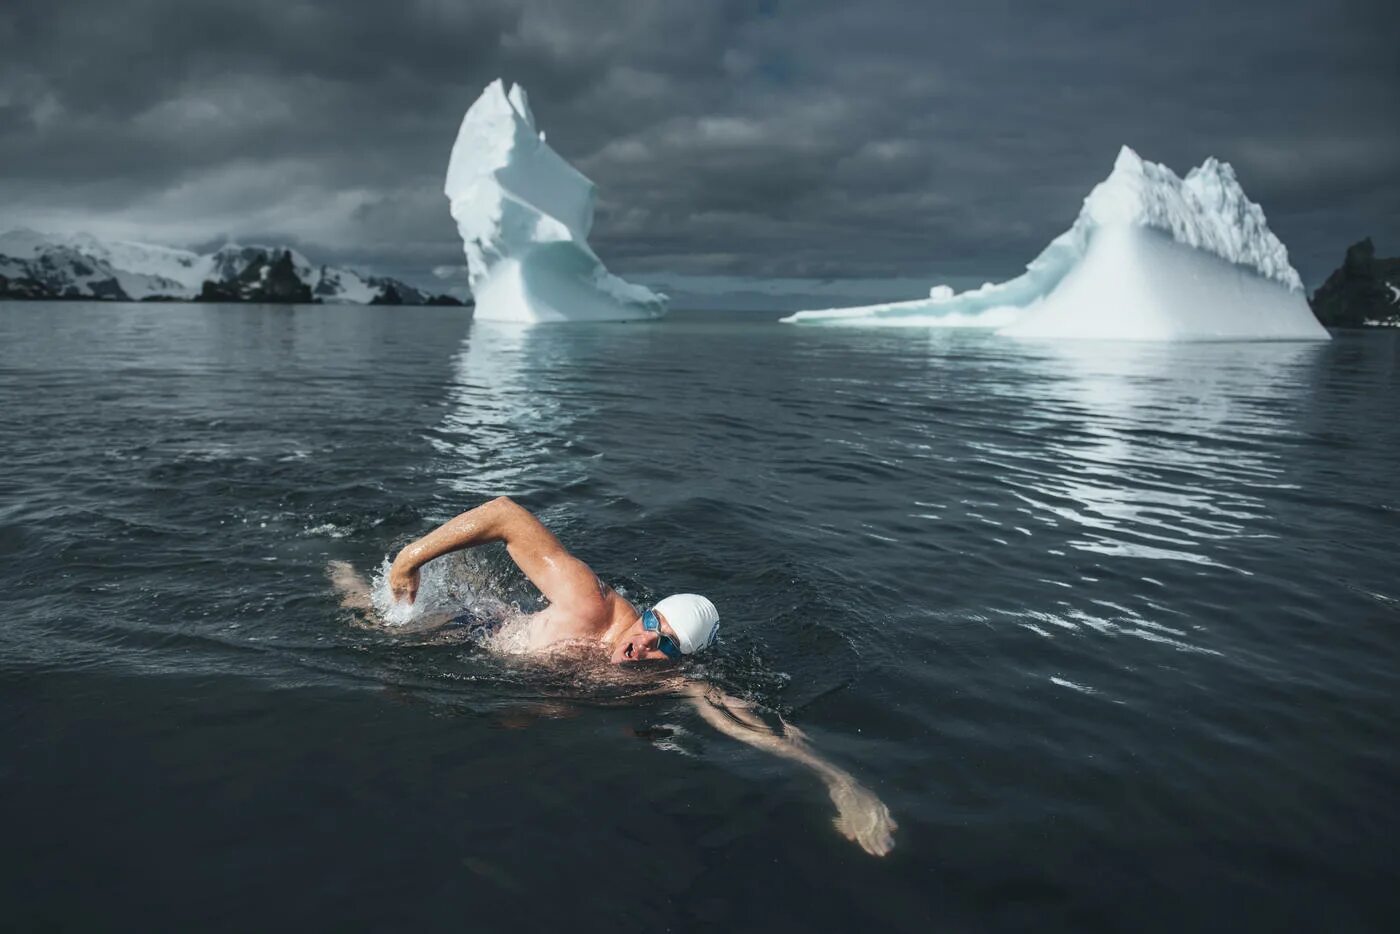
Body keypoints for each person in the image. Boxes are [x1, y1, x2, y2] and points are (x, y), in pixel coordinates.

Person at [330, 495, 896, 856]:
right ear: (645, 610)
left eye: (666, 644)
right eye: (652, 622)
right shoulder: (590, 604)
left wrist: (841, 781)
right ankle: (346, 573)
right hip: (474, 629)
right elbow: (505, 514)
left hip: (517, 690)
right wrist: (411, 557)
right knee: (383, 622)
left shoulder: (671, 681)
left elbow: (753, 727)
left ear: (683, 659)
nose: (645, 641)